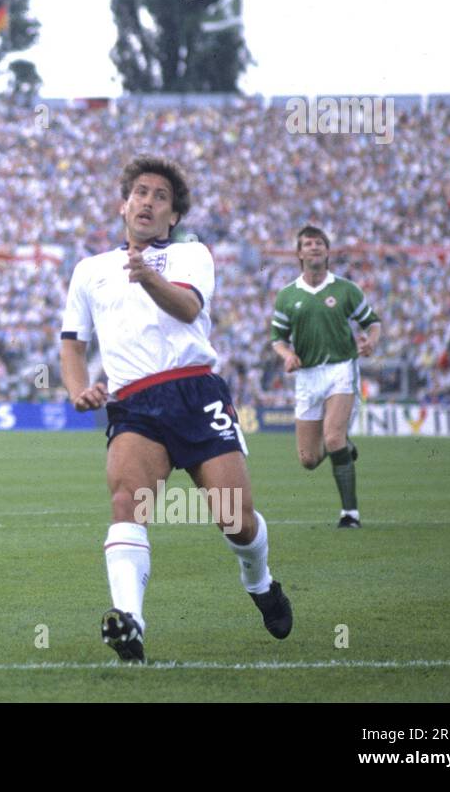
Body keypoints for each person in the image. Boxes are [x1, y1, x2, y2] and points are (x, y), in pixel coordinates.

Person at [59, 156, 292, 662]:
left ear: (173, 217)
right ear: (124, 203)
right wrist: (79, 389)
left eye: (160, 197)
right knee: (127, 503)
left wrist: (146, 276)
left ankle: (261, 583)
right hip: (133, 405)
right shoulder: (91, 270)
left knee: (236, 520)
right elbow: (72, 342)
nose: (147, 201)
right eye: (140, 192)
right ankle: (131, 625)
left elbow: (188, 308)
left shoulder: (192, 256)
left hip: (195, 393)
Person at [270, 226, 381, 528]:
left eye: (320, 243)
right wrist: (287, 355)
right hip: (307, 377)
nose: (314, 247)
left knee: (331, 437)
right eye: (308, 243)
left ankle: (350, 515)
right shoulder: (287, 295)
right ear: (299, 253)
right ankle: (345, 445)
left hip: (340, 369)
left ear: (328, 251)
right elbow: (277, 338)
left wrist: (371, 340)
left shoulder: (346, 289)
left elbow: (372, 322)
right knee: (308, 459)